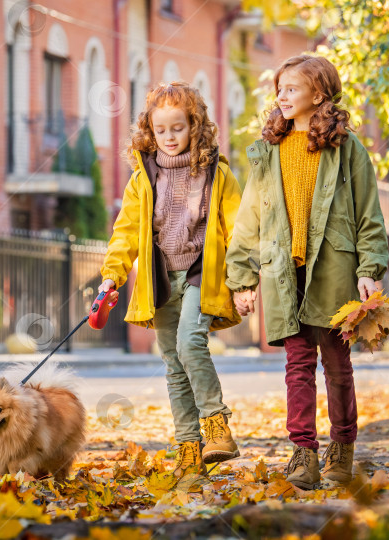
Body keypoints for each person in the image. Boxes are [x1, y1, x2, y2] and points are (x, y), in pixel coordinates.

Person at [225, 54, 389, 489]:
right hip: (283, 272)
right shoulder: (267, 152)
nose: (281, 95)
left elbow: (369, 214)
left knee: (337, 365)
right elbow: (248, 221)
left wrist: (369, 268)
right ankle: (303, 453)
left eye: (291, 88)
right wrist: (241, 279)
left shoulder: (347, 148)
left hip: (334, 270)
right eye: (279, 88)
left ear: (318, 94)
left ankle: (342, 448)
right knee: (297, 365)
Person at [99, 81, 243, 478]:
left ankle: (217, 425)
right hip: (161, 278)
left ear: (194, 126)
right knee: (173, 365)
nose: (169, 137)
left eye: (177, 128)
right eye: (160, 130)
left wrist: (244, 279)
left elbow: (238, 230)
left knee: (189, 344)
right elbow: (125, 232)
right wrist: (111, 276)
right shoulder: (142, 180)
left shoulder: (218, 175)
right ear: (149, 130)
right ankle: (188, 448)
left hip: (202, 273)